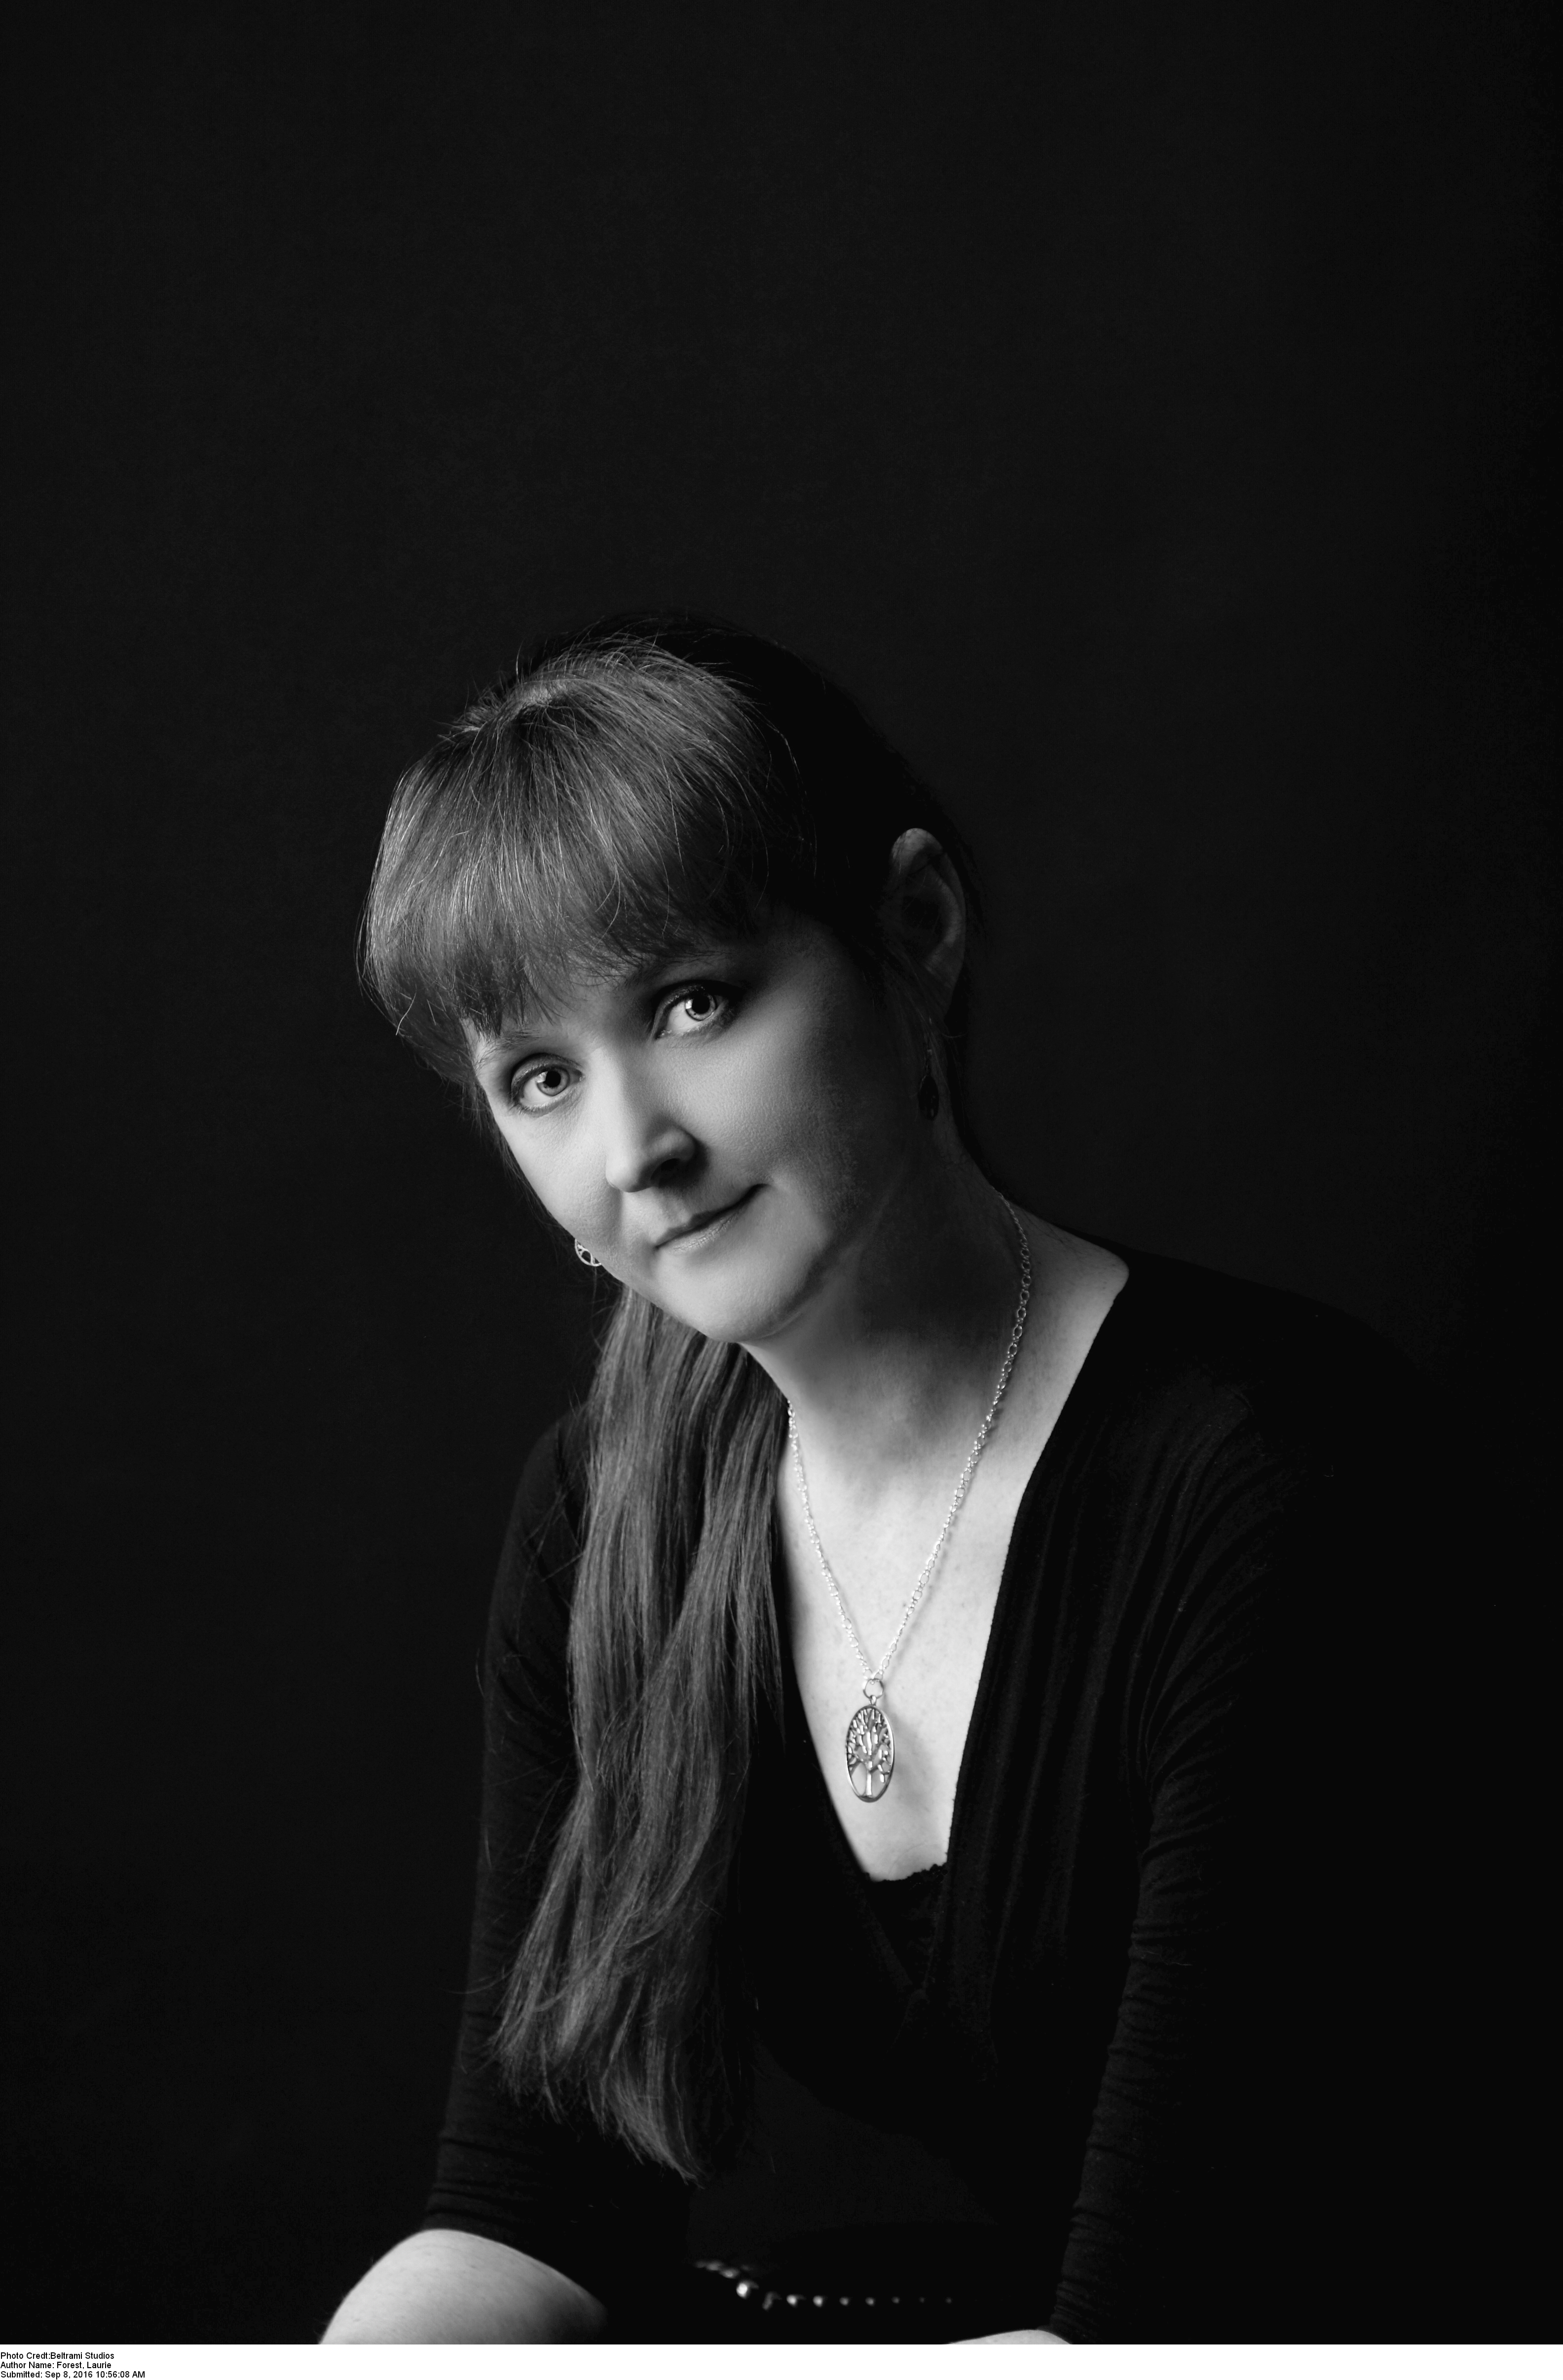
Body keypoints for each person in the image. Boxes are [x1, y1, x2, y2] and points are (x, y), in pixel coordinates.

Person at [322, 618, 1456, 2345]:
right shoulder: (611, 1514)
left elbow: (1175, 2313)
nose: (635, 1151)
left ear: (914, 930)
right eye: (540, 1078)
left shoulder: (1270, 1477)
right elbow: (535, 2209)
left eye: (694, 1002)